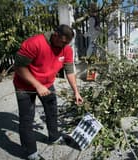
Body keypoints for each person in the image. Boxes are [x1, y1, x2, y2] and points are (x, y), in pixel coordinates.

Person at [13, 24, 83, 160]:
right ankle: (30, 152)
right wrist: (37, 85)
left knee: (52, 112)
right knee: (27, 119)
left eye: (67, 43)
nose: (64, 46)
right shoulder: (34, 43)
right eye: (62, 42)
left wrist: (76, 92)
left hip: (47, 84)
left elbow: (69, 71)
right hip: (24, 86)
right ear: (55, 34)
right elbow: (19, 67)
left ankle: (54, 137)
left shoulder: (66, 49)